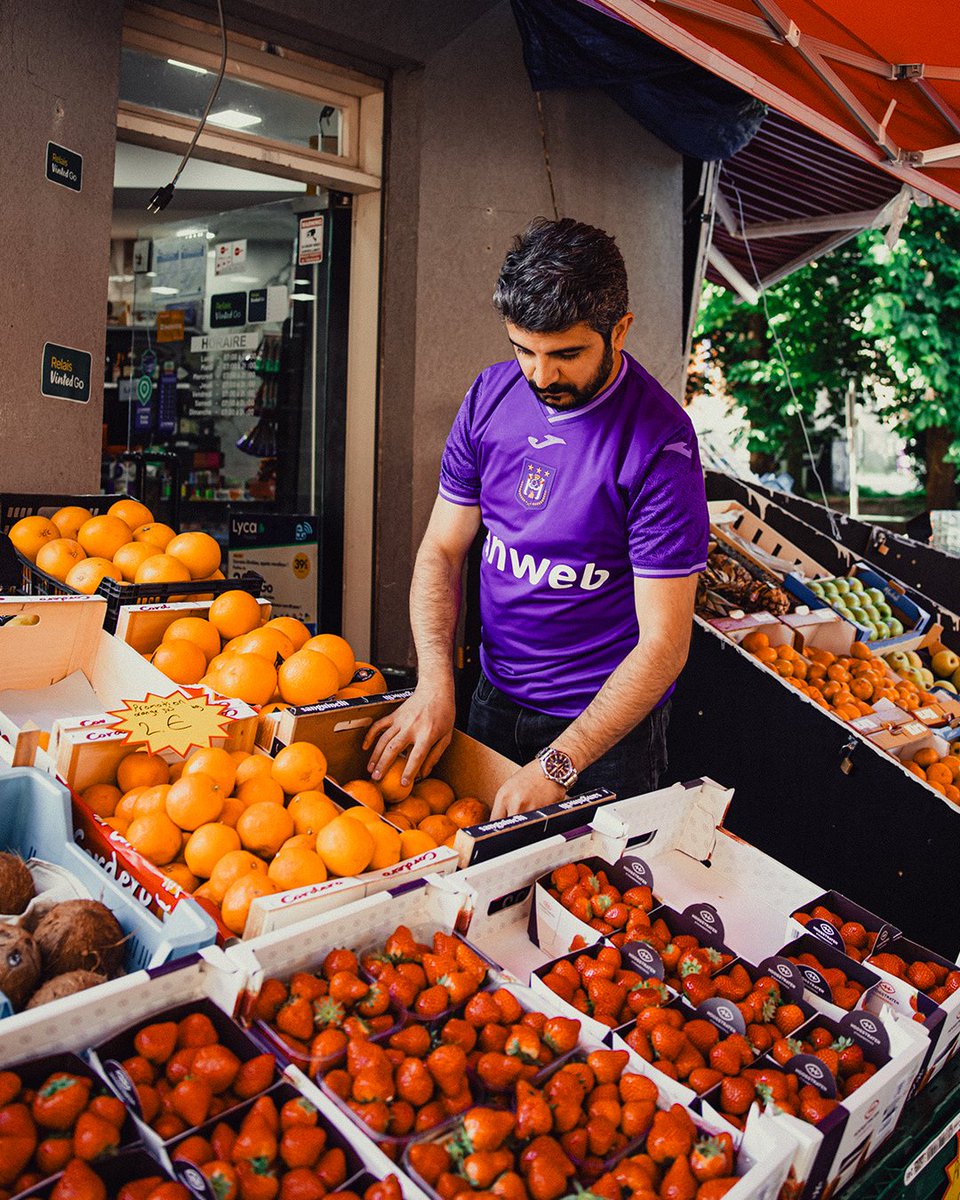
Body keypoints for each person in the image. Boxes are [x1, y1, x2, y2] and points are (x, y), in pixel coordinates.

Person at [364, 217, 709, 817]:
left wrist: (560, 763)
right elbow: (442, 550)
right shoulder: (489, 397)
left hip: (603, 729)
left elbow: (664, 645)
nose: (542, 377)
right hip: (492, 697)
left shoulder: (661, 445)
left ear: (619, 330)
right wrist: (436, 683)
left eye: (566, 354)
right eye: (524, 350)